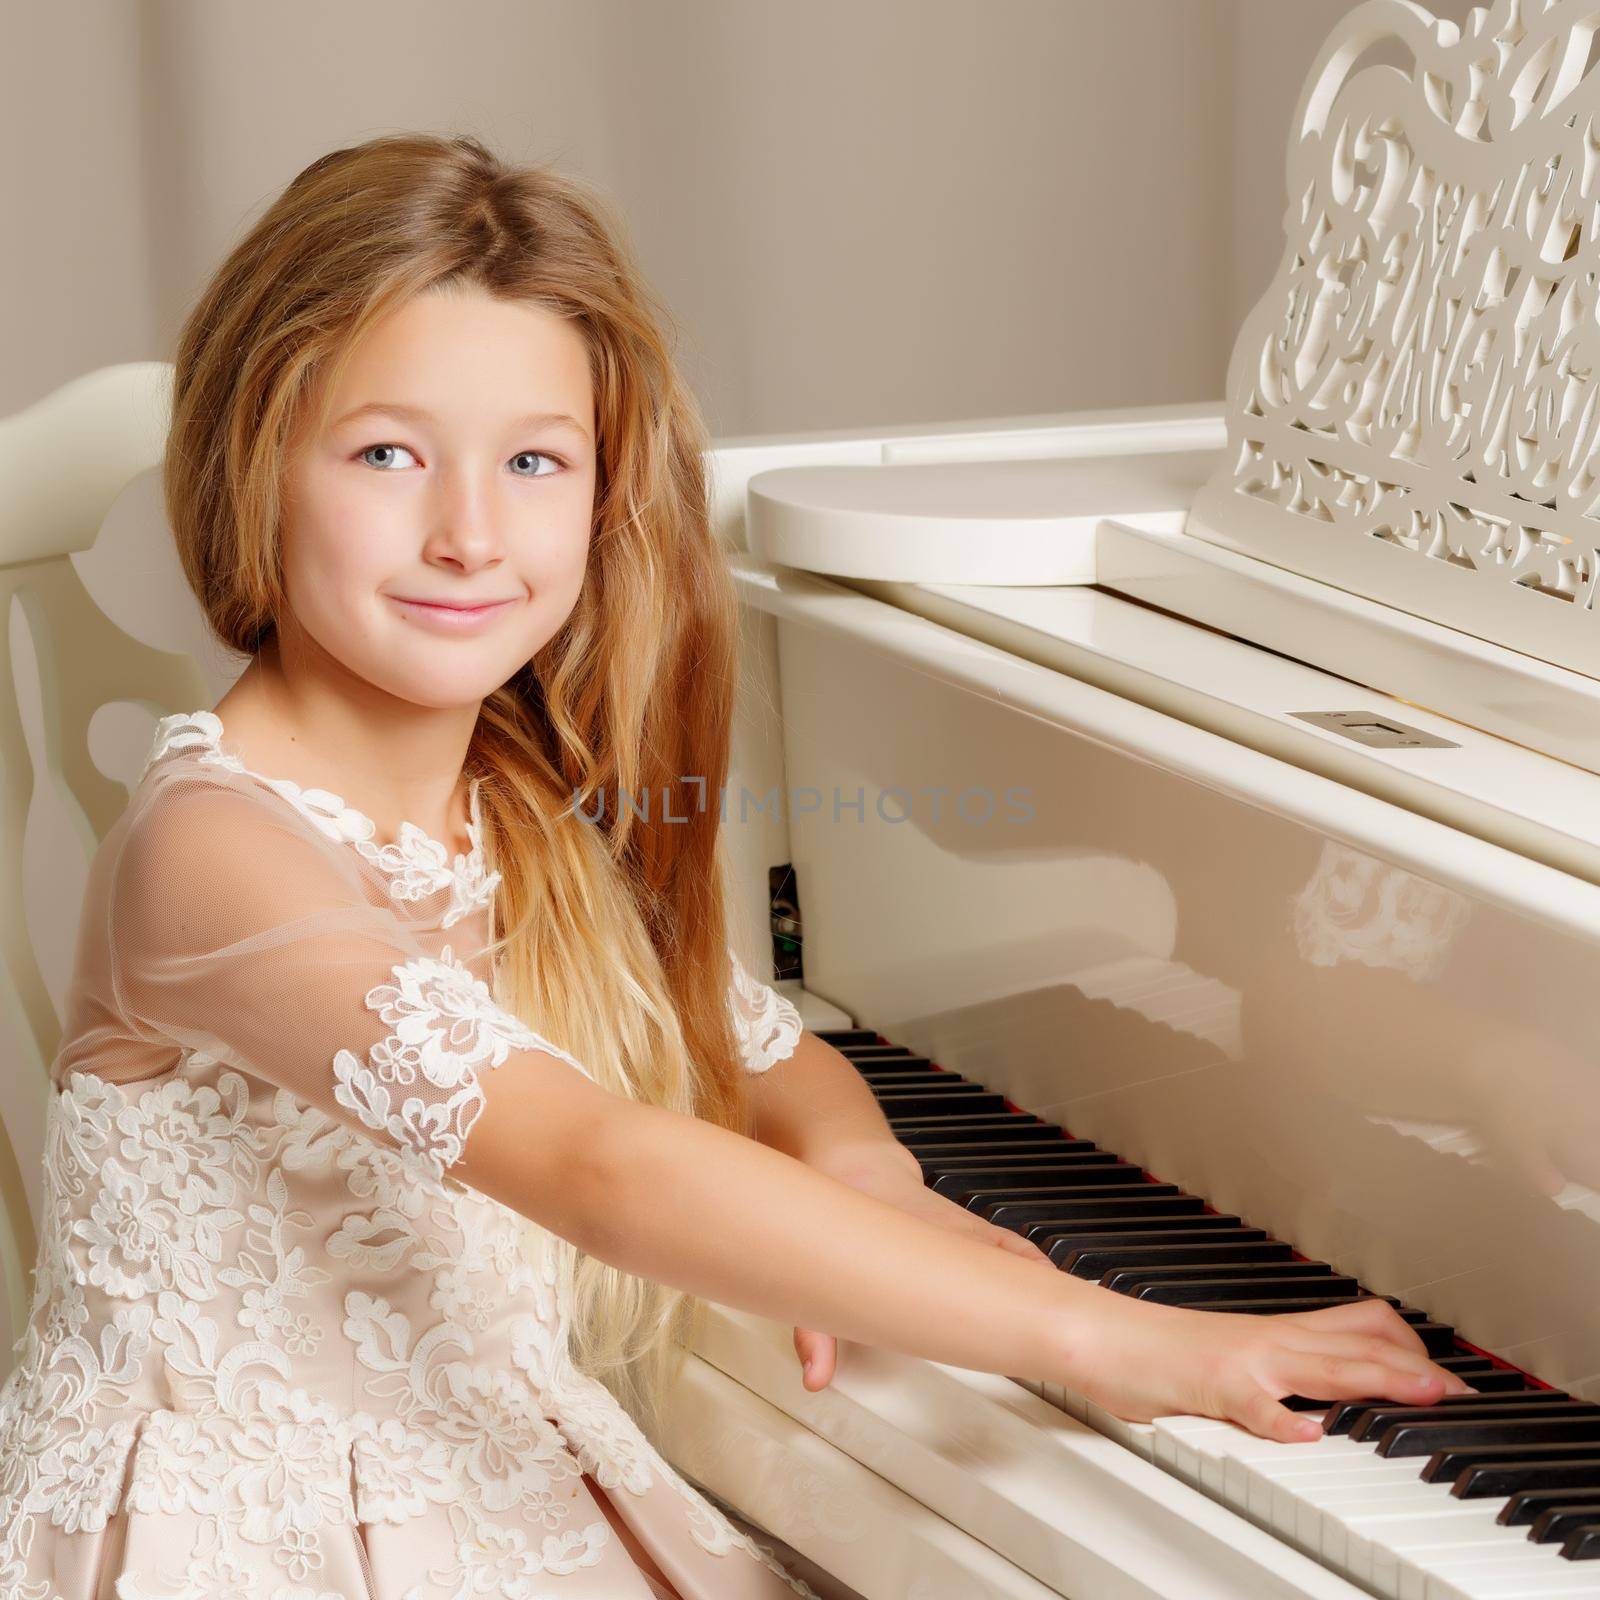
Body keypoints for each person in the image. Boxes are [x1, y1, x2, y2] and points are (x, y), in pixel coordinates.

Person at [0, 133, 1470, 1600]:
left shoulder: (515, 819)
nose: (466, 534)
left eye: (533, 462)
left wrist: (862, 1172)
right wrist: (1116, 1334)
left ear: (601, 495)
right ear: (251, 463)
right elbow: (602, 1166)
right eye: (386, 454)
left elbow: (753, 1050)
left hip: (471, 1487)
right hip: (240, 1543)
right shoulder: (210, 848)